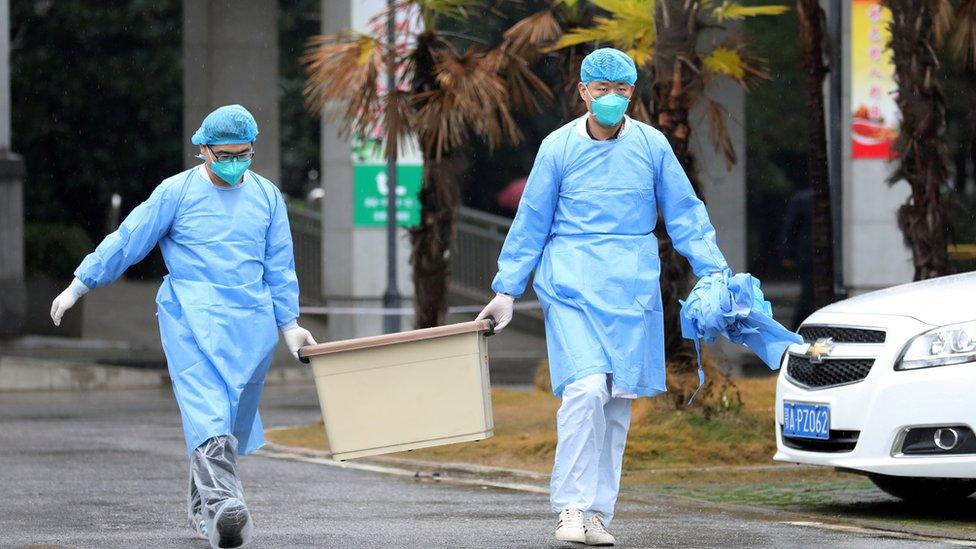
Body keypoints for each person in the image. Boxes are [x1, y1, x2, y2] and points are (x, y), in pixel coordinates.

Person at [476, 48, 731, 546]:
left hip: (631, 285)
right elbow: (531, 220)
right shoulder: (557, 147)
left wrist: (714, 271)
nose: (611, 98)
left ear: (632, 94)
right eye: (602, 89)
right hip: (570, 281)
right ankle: (569, 506)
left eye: (621, 90)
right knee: (586, 388)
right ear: (584, 92)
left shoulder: (653, 146)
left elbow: (685, 213)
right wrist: (507, 289)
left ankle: (597, 513)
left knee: (617, 403)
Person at [49, 105, 317, 549]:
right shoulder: (176, 192)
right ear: (203, 150)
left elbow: (279, 265)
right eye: (225, 154)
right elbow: (129, 238)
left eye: (243, 154)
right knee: (206, 412)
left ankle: (202, 510)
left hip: (250, 322)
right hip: (190, 316)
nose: (235, 162)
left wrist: (289, 324)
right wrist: (81, 283)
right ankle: (226, 507)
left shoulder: (268, 197)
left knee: (225, 420)